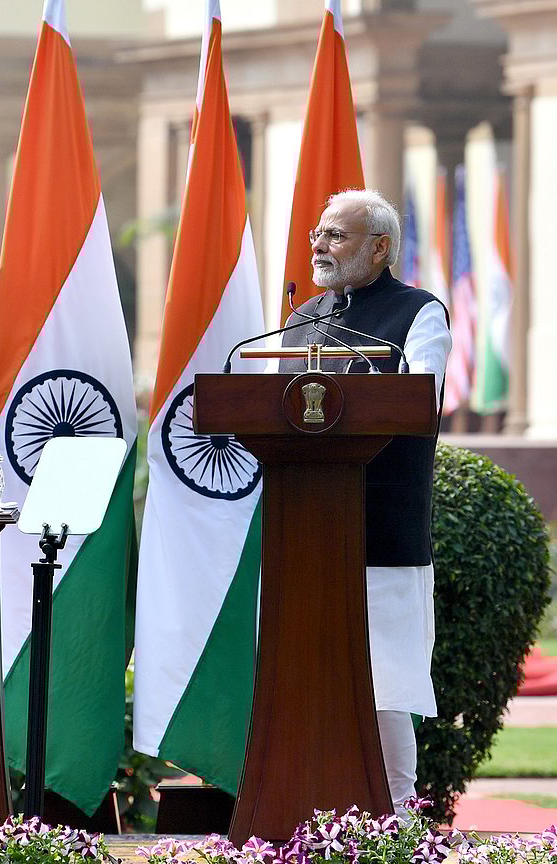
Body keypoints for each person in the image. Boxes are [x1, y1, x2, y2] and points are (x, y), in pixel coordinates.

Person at [279, 188, 452, 816]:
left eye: (337, 235)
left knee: (386, 682)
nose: (320, 246)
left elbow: (419, 400)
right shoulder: (301, 319)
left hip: (382, 523)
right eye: (318, 234)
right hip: (306, 526)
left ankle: (397, 820)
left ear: (379, 247)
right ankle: (307, 812)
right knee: (305, 678)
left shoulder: (419, 312)